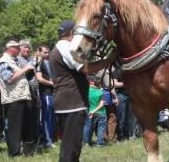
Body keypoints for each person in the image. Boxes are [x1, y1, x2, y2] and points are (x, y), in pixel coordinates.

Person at [49, 20, 116, 162]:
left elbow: (83, 60)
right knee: (71, 147)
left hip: (66, 102)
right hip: (71, 103)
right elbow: (86, 68)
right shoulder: (67, 48)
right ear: (73, 33)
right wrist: (108, 60)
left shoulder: (58, 48)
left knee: (69, 145)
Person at [0, 40, 34, 157]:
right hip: (13, 99)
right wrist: (24, 69)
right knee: (14, 128)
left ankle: (27, 152)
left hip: (22, 96)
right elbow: (8, 79)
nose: (20, 50)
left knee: (26, 125)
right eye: (17, 48)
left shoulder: (15, 61)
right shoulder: (3, 61)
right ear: (10, 48)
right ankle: (14, 154)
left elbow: (21, 76)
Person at [17, 39, 41, 155]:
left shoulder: (30, 60)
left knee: (34, 120)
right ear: (19, 48)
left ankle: (32, 147)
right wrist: (32, 64)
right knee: (25, 121)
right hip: (24, 93)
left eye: (28, 47)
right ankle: (23, 147)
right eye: (24, 47)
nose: (27, 49)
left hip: (35, 93)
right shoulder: (17, 60)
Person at [35, 45, 55, 148]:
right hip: (45, 93)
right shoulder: (38, 62)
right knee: (46, 118)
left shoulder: (49, 62)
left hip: (52, 93)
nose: (47, 54)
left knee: (51, 117)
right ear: (39, 52)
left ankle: (49, 139)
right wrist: (52, 83)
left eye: (48, 52)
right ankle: (47, 141)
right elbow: (39, 78)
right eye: (45, 52)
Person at [83, 76, 107, 146]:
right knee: (101, 128)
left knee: (90, 127)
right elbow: (101, 105)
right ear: (100, 84)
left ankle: (87, 141)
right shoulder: (101, 92)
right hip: (101, 112)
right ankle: (99, 143)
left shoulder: (88, 91)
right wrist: (94, 110)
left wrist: (92, 111)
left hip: (91, 112)